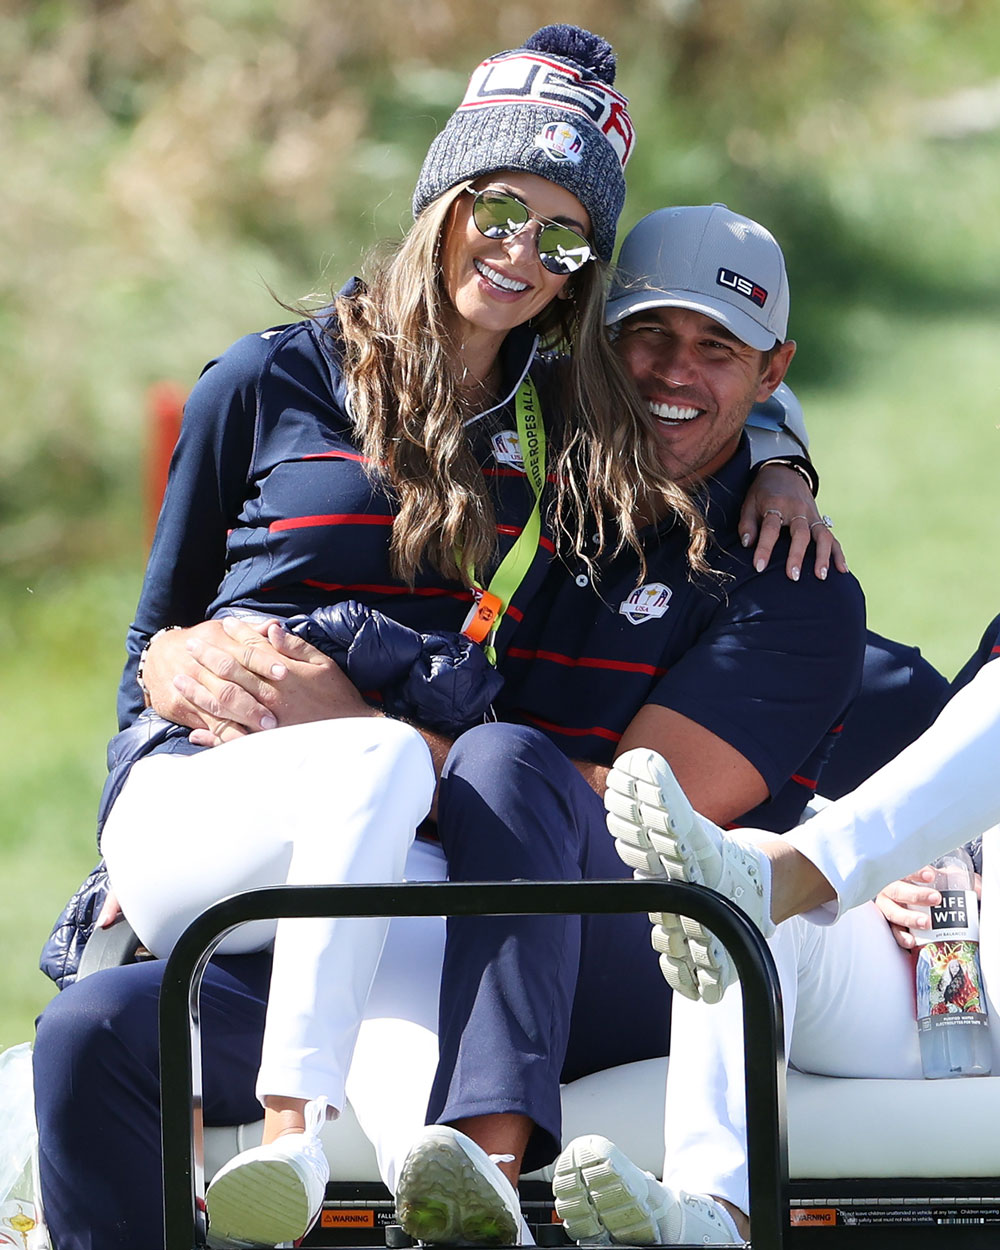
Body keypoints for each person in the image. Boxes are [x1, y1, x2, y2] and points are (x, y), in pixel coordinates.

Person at [31, 29, 827, 1250]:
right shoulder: (260, 382)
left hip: (429, 850)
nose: (522, 252)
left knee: (439, 764)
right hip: (247, 814)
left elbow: (700, 393)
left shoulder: (563, 426)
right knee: (95, 1034)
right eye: (502, 209)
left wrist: (781, 456)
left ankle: (458, 1178)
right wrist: (167, 661)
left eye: (566, 241)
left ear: (578, 279)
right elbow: (157, 623)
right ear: (446, 199)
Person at [376, 204, 865, 1246]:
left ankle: (483, 1176)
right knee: (109, 1022)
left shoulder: (796, 586)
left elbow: (645, 816)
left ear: (771, 372)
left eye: (715, 347)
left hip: (654, 953)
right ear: (593, 339)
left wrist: (398, 752)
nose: (669, 370)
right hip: (416, 894)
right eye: (646, 333)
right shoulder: (508, 483)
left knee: (509, 761)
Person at [551, 639, 1000, 1243]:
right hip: (950, 966)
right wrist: (899, 863)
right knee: (732, 907)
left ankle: (788, 873)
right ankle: (716, 1212)